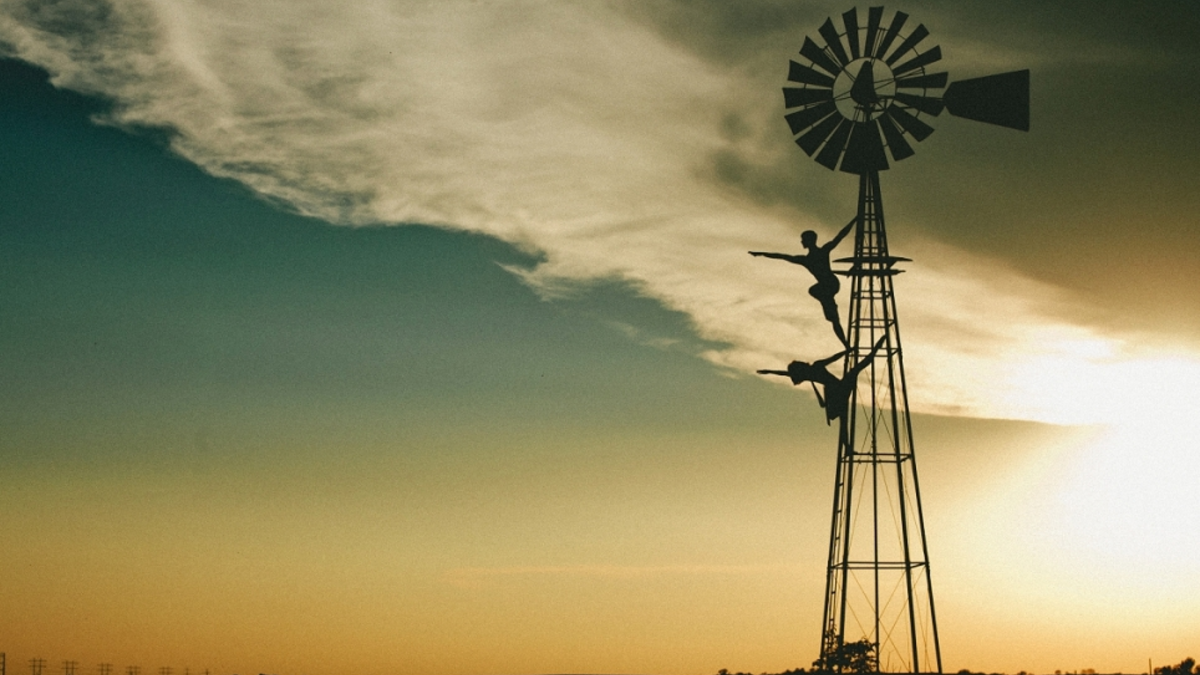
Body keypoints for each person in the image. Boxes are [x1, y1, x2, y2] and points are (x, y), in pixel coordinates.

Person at [750, 217, 855, 345]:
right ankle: (845, 343)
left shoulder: (816, 255)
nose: (801, 242)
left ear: (809, 241)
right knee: (831, 315)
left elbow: (840, 235)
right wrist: (761, 253)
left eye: (803, 239)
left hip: (830, 285)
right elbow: (781, 256)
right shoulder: (809, 258)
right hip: (826, 286)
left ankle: (831, 308)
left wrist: (854, 221)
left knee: (815, 292)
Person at [757, 335, 887, 424]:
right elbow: (785, 374)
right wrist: (769, 371)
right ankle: (877, 347)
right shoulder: (811, 372)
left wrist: (847, 351)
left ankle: (877, 347)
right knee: (841, 415)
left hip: (837, 388)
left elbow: (833, 358)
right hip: (836, 389)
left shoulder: (814, 369)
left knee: (856, 370)